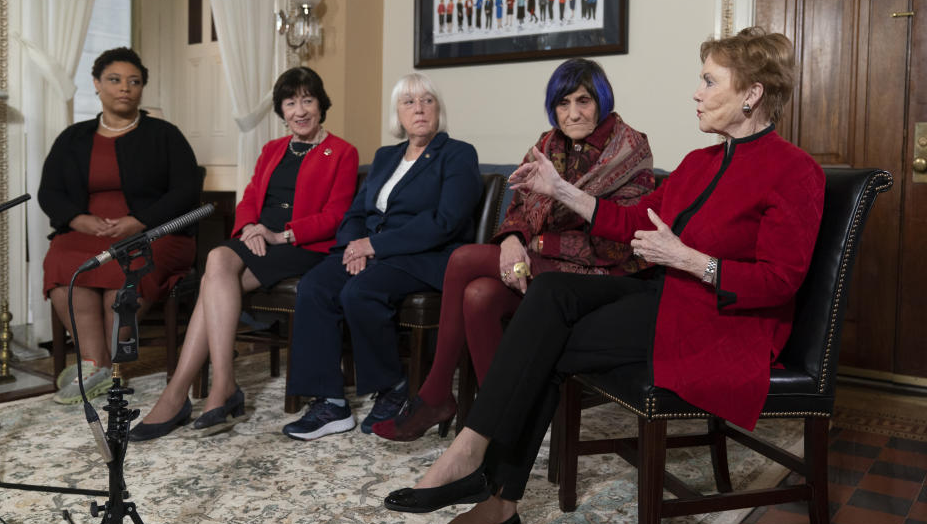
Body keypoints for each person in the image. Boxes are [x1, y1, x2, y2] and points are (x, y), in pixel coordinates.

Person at [384, 28, 825, 524]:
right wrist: (559, 188)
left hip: (721, 325)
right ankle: (474, 456)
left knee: (543, 340)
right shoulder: (701, 162)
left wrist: (689, 259)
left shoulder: (795, 171)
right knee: (548, 297)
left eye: (709, 81)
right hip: (671, 300)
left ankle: (492, 492)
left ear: (751, 93)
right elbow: (634, 218)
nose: (697, 92)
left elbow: (781, 281)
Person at [373, 58, 654, 443]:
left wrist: (537, 244)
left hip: (601, 278)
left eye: (583, 101)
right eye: (563, 103)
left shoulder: (630, 148)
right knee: (477, 295)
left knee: (462, 259)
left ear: (601, 101)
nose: (572, 113)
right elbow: (519, 206)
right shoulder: (547, 143)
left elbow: (621, 240)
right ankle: (505, 419)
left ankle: (436, 394)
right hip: (541, 267)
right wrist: (510, 241)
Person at [127, 67, 359, 441]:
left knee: (213, 273)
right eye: (290, 102)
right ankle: (218, 388)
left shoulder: (342, 152)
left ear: (321, 105)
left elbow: (335, 216)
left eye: (307, 100)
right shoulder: (272, 150)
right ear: (281, 111)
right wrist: (250, 228)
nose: (299, 110)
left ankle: (184, 393)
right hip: (258, 240)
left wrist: (280, 235)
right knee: (218, 266)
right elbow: (250, 198)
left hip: (301, 246)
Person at [281, 72, 482, 441]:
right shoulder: (386, 156)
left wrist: (375, 246)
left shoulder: (457, 154)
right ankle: (330, 402)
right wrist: (355, 246)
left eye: (427, 101)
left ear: (439, 109)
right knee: (314, 286)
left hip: (426, 256)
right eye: (408, 102)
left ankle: (392, 388)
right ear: (398, 114)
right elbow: (357, 212)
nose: (418, 109)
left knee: (359, 292)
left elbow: (445, 222)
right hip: (372, 252)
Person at [39, 47, 200, 404]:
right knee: (65, 266)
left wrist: (139, 221)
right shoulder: (73, 138)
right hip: (86, 232)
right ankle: (95, 363)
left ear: (142, 88)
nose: (124, 88)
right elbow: (49, 191)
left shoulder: (165, 135)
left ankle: (110, 369)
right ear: (96, 84)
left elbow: (187, 190)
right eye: (114, 80)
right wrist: (78, 219)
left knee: (122, 278)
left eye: (134, 81)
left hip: (156, 233)